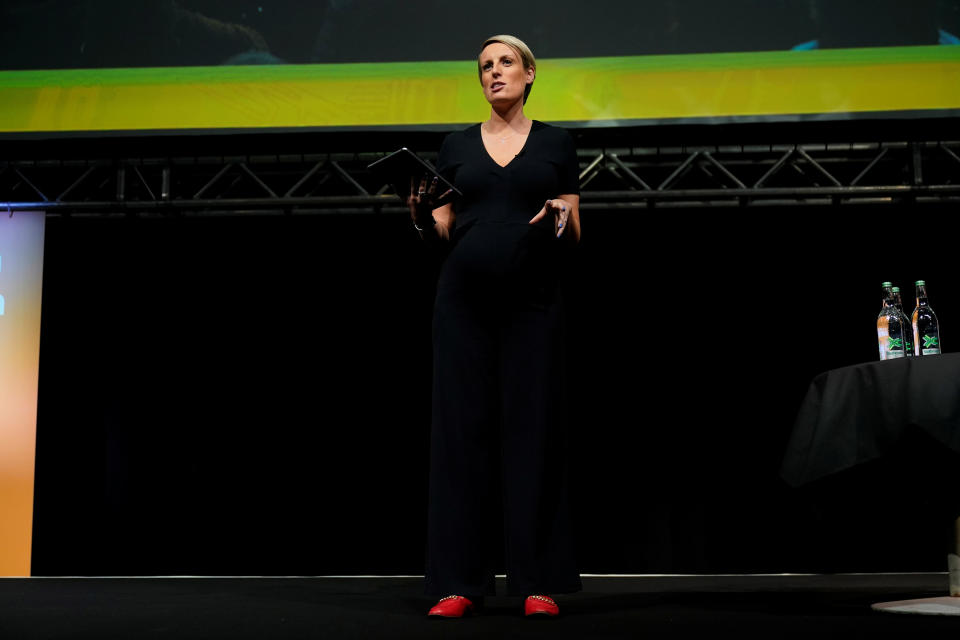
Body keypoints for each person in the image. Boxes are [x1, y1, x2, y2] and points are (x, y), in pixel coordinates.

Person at [407, 34, 582, 618]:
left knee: (534, 434)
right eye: (485, 66)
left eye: (505, 62)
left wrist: (560, 215)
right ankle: (458, 584)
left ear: (530, 73)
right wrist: (419, 216)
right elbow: (440, 226)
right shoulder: (455, 144)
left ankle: (539, 582)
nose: (494, 73)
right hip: (464, 303)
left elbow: (573, 227)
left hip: (533, 301)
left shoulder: (556, 142)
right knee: (462, 436)